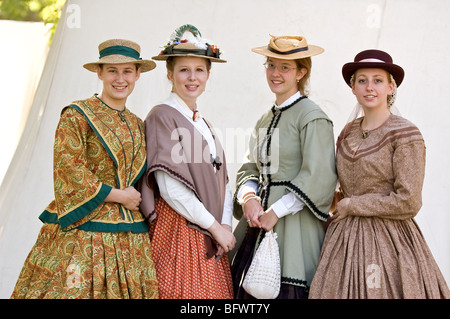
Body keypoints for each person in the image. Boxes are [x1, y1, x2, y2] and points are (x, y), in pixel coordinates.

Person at [11, 39, 159, 299]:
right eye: (112, 70)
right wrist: (119, 196)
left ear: (137, 74)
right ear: (99, 72)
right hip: (84, 230)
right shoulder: (77, 114)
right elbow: (69, 168)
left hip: (130, 236)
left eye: (127, 71)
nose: (120, 78)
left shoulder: (137, 123)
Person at [309, 49, 450, 299]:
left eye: (378, 80)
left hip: (390, 240)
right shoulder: (347, 132)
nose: (369, 87)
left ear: (391, 87)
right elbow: (344, 183)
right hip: (344, 240)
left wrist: (354, 204)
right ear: (353, 88)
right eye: (362, 80)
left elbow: (409, 201)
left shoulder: (406, 134)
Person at [230, 35, 337, 299]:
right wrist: (249, 199)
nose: (275, 73)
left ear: (301, 72)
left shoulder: (312, 116)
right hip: (255, 224)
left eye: (285, 67)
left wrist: (276, 211)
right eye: (271, 65)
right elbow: (250, 167)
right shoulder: (264, 120)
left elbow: (320, 176)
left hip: (295, 230)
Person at [139, 24, 235, 299]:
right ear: (170, 74)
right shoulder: (162, 116)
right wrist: (216, 227)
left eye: (200, 70)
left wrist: (226, 225)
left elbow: (222, 181)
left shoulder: (203, 122)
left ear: (208, 75)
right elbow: (170, 188)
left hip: (209, 232)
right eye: (184, 70)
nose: (192, 78)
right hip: (180, 231)